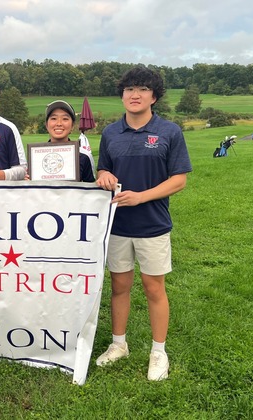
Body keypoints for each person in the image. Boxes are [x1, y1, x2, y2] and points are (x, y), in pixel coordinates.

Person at [95, 66, 192, 380]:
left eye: (142, 89)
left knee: (154, 289)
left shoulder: (169, 132)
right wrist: (102, 175)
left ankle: (158, 352)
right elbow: (102, 171)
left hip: (153, 224)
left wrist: (142, 196)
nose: (134, 95)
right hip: (117, 226)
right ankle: (119, 344)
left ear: (154, 96)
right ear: (122, 95)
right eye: (129, 90)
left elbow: (179, 181)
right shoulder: (110, 133)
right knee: (119, 287)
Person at [43, 100, 95, 182]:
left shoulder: (83, 157)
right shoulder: (37, 156)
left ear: (72, 126)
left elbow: (89, 191)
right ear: (46, 125)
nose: (59, 123)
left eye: (65, 119)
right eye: (53, 118)